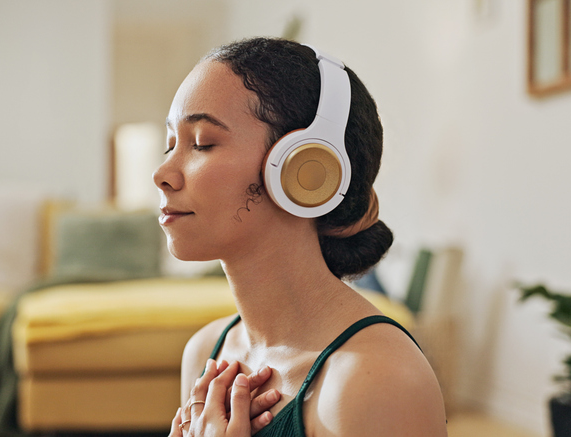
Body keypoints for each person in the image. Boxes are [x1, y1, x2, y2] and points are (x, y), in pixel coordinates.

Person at [154, 37, 447, 437]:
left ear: (305, 168)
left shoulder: (376, 378)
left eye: (202, 142)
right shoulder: (207, 353)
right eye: (170, 144)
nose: (162, 174)